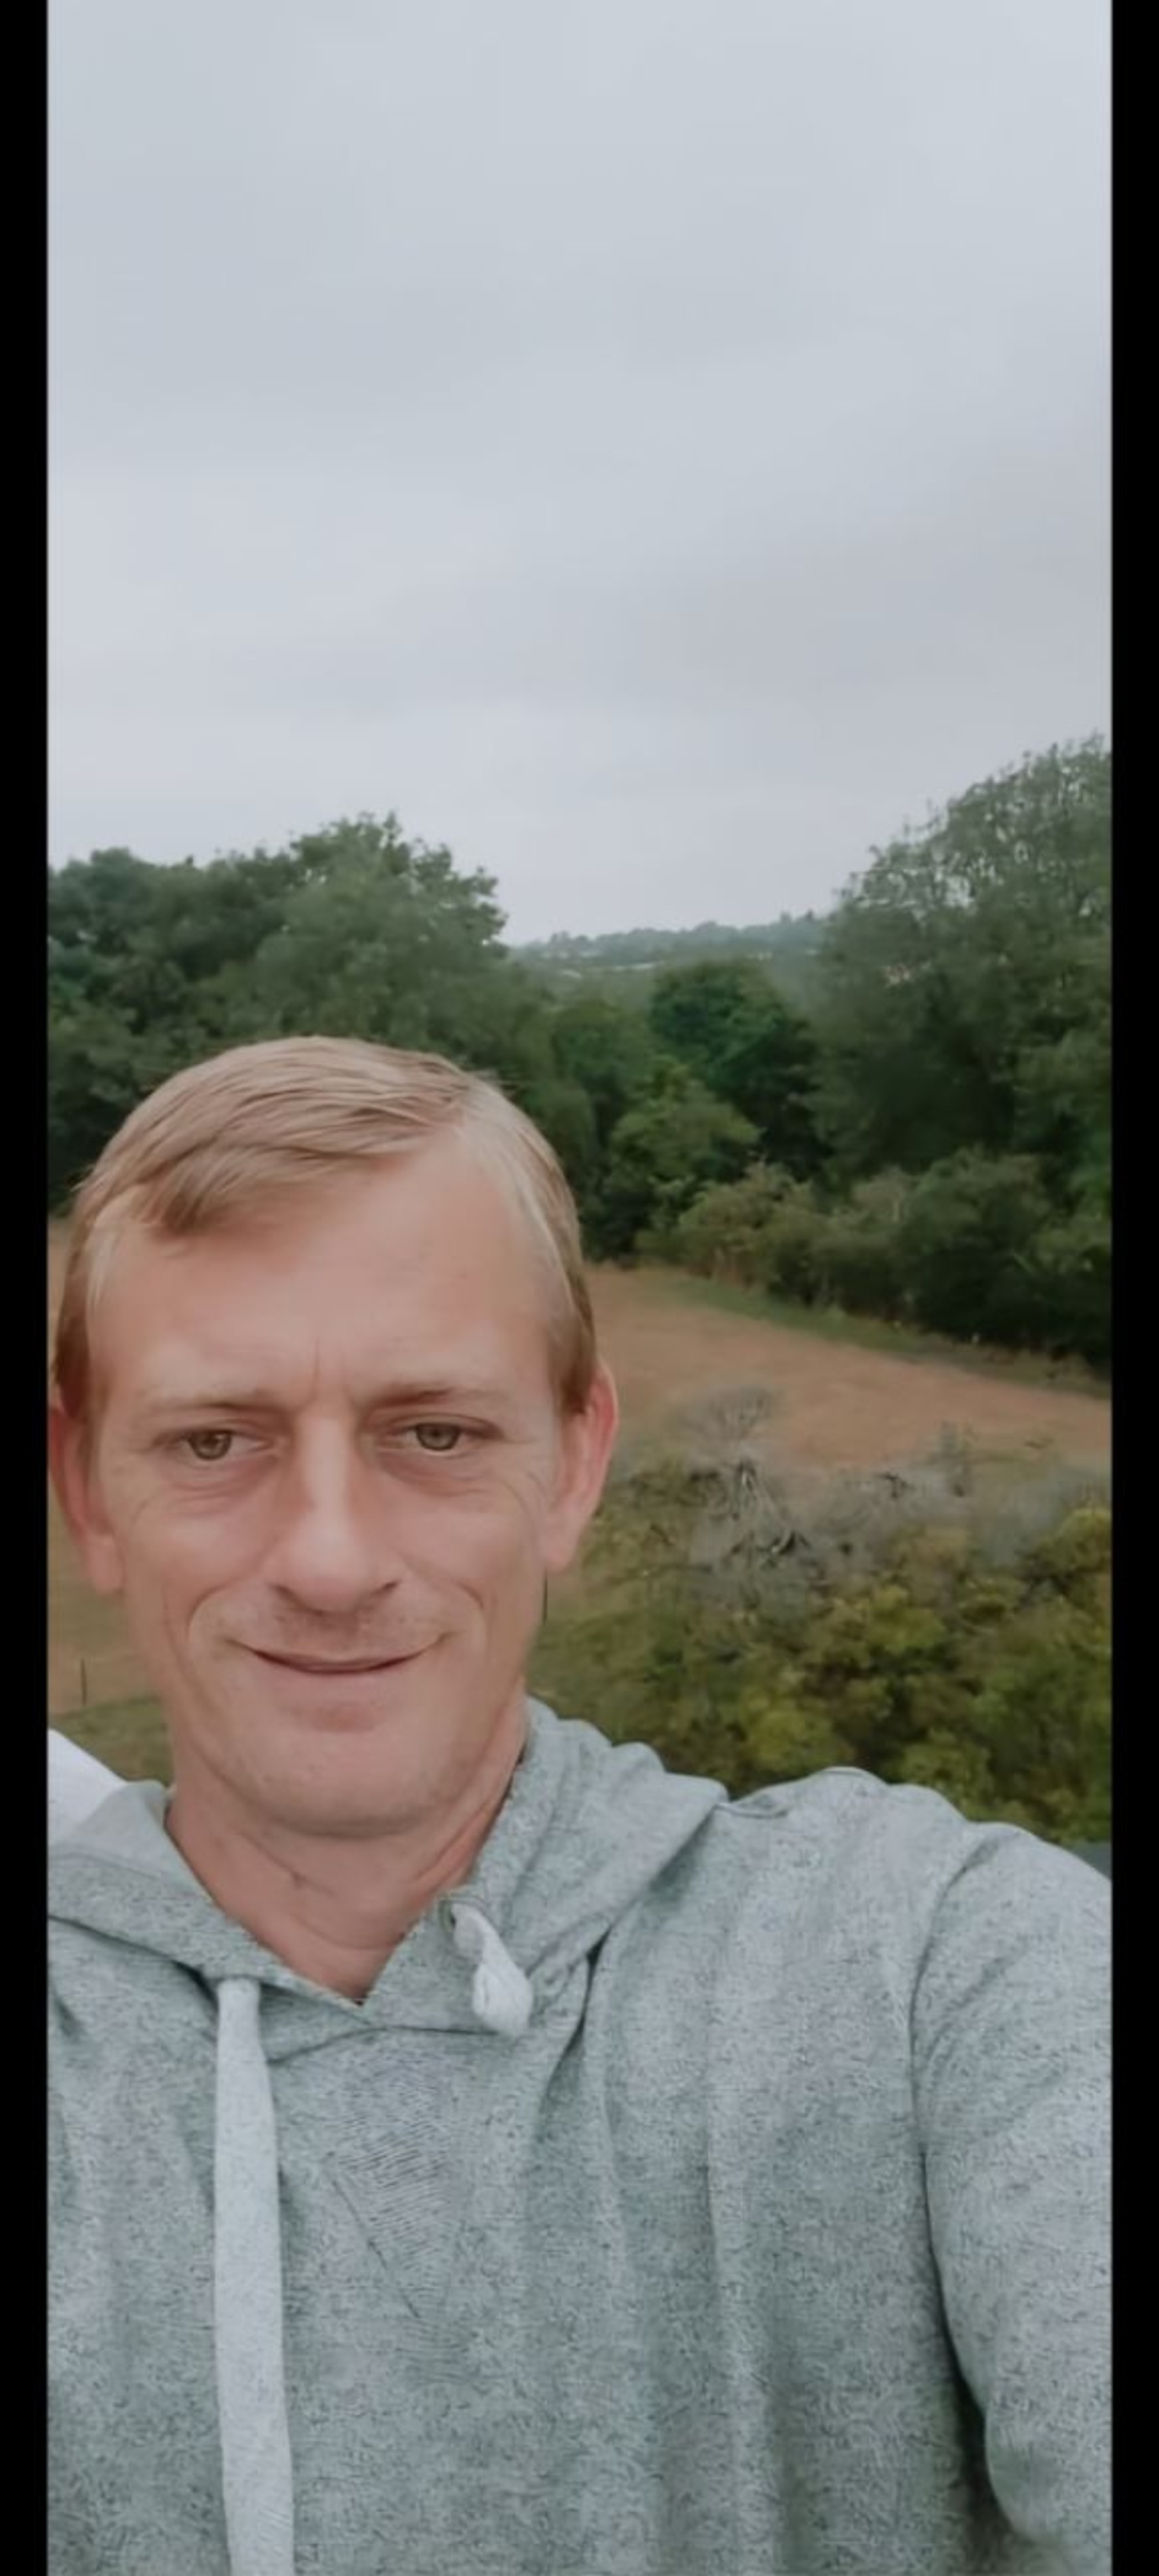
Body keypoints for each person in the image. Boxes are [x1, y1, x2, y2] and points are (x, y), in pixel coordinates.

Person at [49, 1036, 1110, 2576]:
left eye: (436, 1434)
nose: (331, 1560)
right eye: (215, 1440)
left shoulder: (931, 1968)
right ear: (88, 1490)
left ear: (574, 1464)